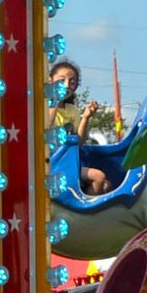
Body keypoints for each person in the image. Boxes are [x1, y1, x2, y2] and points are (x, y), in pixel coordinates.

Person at [46, 59, 108, 195]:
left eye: (72, 83)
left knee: (105, 184)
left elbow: (78, 142)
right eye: (62, 80)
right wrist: (55, 100)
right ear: (50, 80)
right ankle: (86, 210)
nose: (66, 85)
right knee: (99, 177)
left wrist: (85, 117)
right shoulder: (43, 105)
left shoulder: (72, 110)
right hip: (49, 161)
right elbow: (46, 129)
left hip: (67, 160)